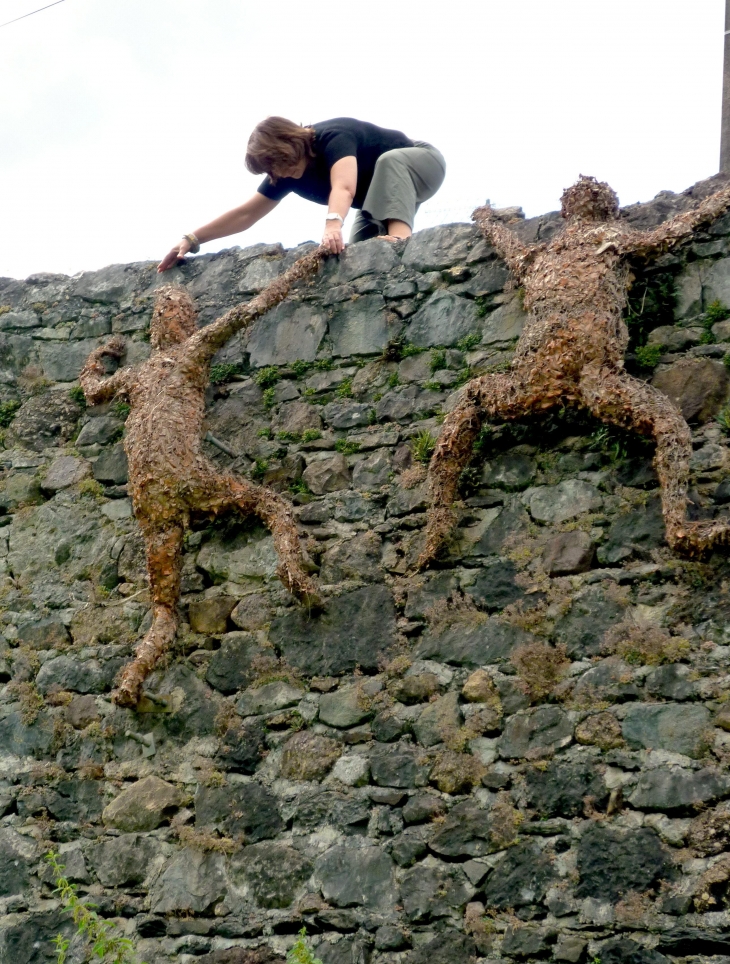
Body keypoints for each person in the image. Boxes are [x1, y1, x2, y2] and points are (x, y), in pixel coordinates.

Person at [158, 116, 445, 271]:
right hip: (377, 198)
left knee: (389, 161)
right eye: (272, 170)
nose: (280, 173)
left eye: (280, 163)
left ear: (290, 144)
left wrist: (333, 224)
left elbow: (344, 187)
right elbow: (246, 214)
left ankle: (400, 238)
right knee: (360, 256)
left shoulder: (332, 136)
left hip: (420, 162)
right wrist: (192, 238)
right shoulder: (283, 174)